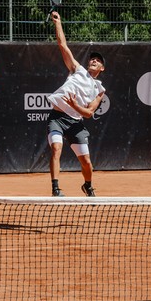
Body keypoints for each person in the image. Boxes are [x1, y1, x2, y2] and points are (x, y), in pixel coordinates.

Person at [46, 11, 106, 197]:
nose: (94, 60)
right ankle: (56, 189)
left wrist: (74, 105)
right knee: (56, 148)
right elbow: (62, 45)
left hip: (75, 124)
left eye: (98, 61)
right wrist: (58, 22)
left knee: (86, 162)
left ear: (102, 69)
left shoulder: (100, 90)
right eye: (92, 59)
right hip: (57, 118)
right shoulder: (77, 70)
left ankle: (87, 185)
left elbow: (88, 113)